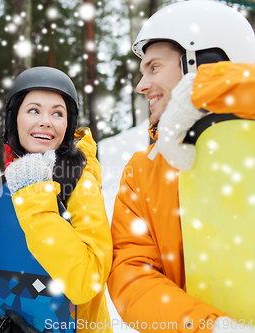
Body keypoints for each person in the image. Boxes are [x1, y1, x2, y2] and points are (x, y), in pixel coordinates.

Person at [108, 1, 255, 332]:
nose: (141, 85)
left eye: (154, 68)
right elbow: (130, 274)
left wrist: (204, 88)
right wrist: (208, 327)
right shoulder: (142, 171)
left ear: (200, 61)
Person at [0, 66, 113, 332]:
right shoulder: (4, 186)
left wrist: (35, 196)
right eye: (34, 110)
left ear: (68, 125)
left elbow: (86, 283)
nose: (45, 121)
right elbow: (8, 275)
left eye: (57, 113)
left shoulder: (81, 184)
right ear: (14, 120)